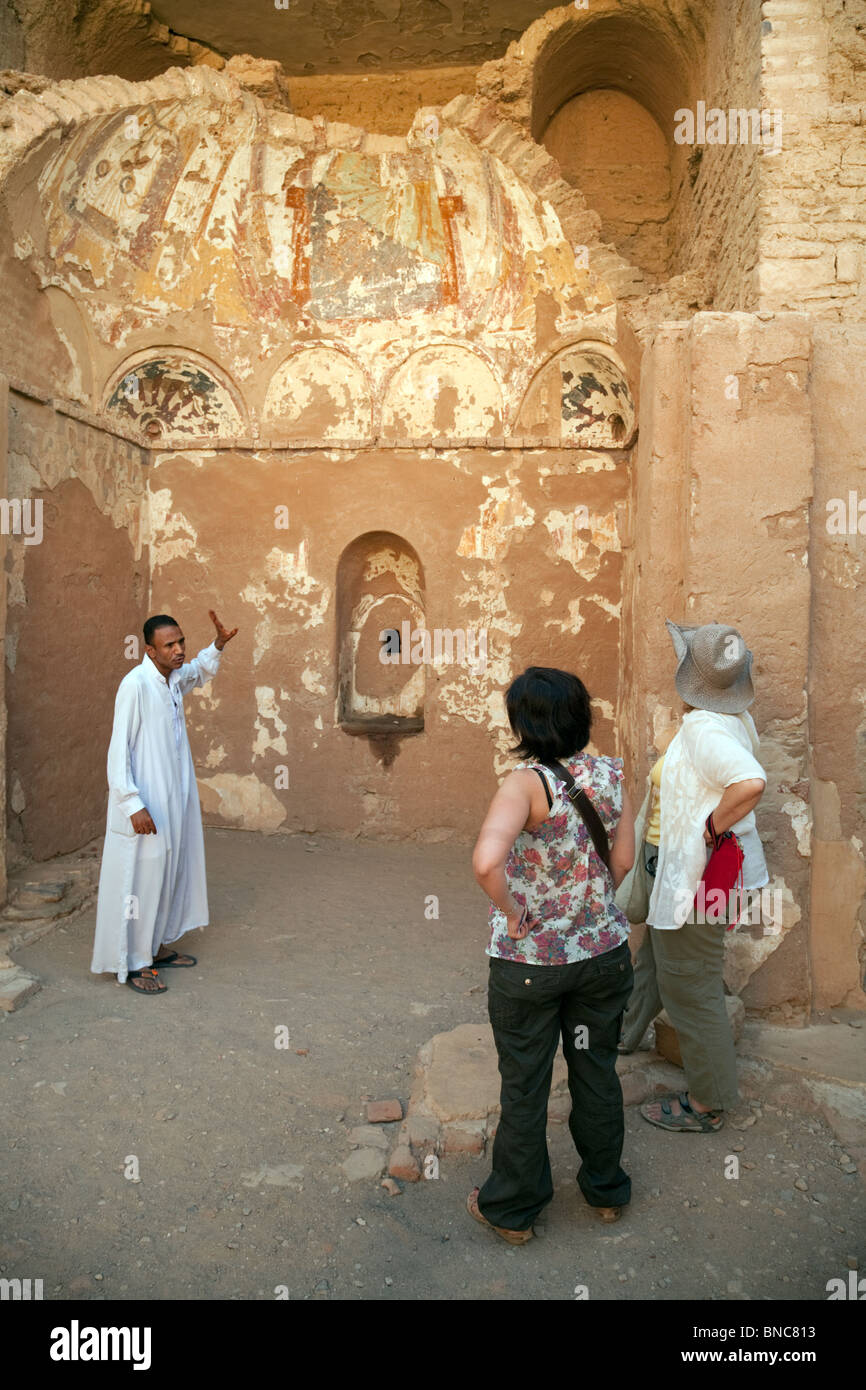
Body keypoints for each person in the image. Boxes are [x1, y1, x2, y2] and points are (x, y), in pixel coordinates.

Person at [467, 667, 635, 1245]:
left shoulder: (523, 785)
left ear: (524, 722)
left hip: (531, 967)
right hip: (603, 955)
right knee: (596, 1072)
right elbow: (622, 862)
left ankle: (513, 1209)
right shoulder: (613, 774)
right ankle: (606, 1191)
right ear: (580, 714)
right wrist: (588, 909)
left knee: (525, 1084)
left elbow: (487, 862)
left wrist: (515, 913)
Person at [619, 620, 768, 1133]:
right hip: (683, 870)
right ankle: (626, 1033)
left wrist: (707, 828)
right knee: (657, 961)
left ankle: (709, 1103)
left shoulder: (705, 727)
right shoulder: (733, 718)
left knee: (691, 987)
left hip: (696, 876)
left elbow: (750, 783)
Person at [90, 610, 238, 995]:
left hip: (173, 800)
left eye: (181, 642)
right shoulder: (135, 685)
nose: (178, 650)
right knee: (141, 880)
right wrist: (132, 804)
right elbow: (117, 750)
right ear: (150, 650)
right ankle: (135, 962)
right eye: (169, 645)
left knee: (168, 870)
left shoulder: (172, 680)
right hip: (146, 804)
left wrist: (218, 644)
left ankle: (153, 947)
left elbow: (197, 672)